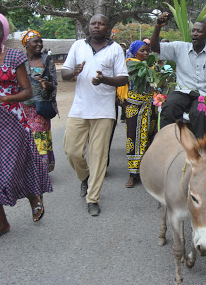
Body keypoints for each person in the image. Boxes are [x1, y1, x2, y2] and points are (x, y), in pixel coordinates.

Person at [62, 14, 128, 217]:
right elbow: (64, 74)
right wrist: (73, 72)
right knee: (71, 151)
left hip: (104, 111)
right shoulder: (78, 46)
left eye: (101, 23)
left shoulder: (115, 48)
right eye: (93, 23)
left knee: (98, 156)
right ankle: (85, 177)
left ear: (107, 27)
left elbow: (123, 79)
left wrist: (104, 80)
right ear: (88, 26)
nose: (97, 26)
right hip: (79, 108)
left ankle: (93, 198)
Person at [0, 11, 52, 239]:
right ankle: (3, 224)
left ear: (3, 31)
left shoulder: (14, 57)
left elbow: (27, 91)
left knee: (11, 170)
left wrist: (5, 98)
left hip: (13, 122)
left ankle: (33, 196)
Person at [150, 0, 206, 138]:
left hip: (204, 95)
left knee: (199, 113)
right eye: (193, 31)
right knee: (168, 107)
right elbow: (155, 48)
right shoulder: (179, 47)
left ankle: (200, 151)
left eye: (199, 31)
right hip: (183, 92)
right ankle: (167, 144)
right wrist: (157, 26)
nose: (195, 34)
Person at [20, 29, 58, 173]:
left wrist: (47, 85)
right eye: (35, 41)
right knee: (26, 138)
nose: (39, 44)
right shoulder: (20, 61)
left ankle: (40, 170)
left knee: (40, 137)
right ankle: (31, 170)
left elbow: (54, 82)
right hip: (24, 107)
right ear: (26, 43)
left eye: (40, 41)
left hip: (41, 107)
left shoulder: (47, 60)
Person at [123, 41, 158, 188]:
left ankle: (147, 170)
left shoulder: (152, 66)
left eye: (147, 51)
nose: (145, 53)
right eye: (142, 51)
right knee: (133, 138)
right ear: (134, 52)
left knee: (150, 137)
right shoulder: (130, 64)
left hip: (149, 106)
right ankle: (133, 173)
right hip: (134, 105)